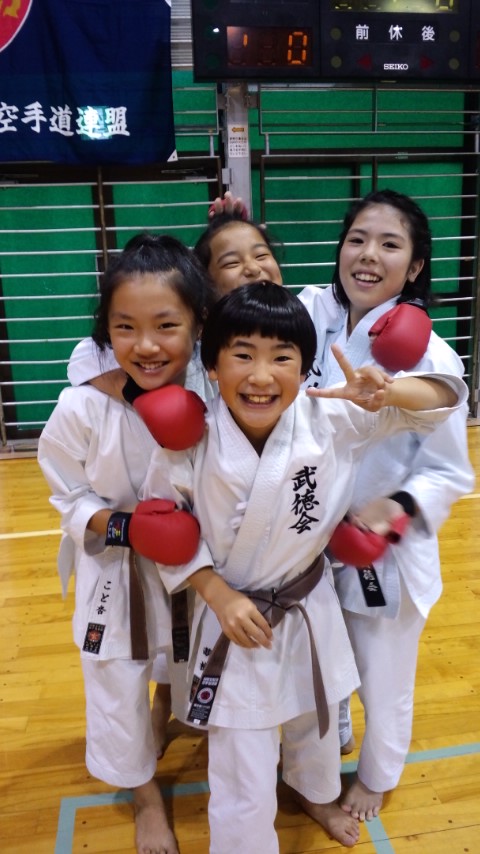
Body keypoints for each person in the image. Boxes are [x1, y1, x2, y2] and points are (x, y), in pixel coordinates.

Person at [142, 282, 467, 853]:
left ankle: (314, 794)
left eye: (282, 358)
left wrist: (388, 392)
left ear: (305, 368)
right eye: (243, 355)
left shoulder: (332, 418)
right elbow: (164, 532)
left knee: (313, 729)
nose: (261, 376)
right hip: (235, 617)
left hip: (308, 606)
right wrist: (215, 591)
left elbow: (442, 401)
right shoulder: (190, 439)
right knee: (242, 762)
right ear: (212, 366)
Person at [37, 233, 216, 854]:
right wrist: (123, 526)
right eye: (125, 327)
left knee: (184, 657)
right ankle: (145, 798)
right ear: (105, 331)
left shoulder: (216, 395)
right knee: (115, 682)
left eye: (166, 325)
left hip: (195, 565)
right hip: (114, 569)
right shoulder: (81, 406)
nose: (145, 345)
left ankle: (167, 710)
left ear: (198, 324)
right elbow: (67, 492)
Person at [298, 189, 474, 820]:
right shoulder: (313, 313)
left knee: (384, 677)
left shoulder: (429, 355)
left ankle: (377, 776)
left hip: (383, 553)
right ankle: (336, 735)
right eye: (357, 239)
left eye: (389, 244)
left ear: (415, 266)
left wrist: (393, 508)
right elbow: (251, 304)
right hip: (309, 538)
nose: (368, 255)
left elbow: (450, 471)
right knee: (324, 656)